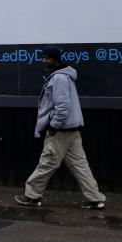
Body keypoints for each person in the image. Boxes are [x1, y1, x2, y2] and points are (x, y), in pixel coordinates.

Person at [14, 45, 107, 210]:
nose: (44, 61)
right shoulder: (63, 76)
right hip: (72, 130)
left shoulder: (59, 78)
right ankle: (95, 199)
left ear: (55, 59)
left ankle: (32, 196)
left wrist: (53, 125)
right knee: (80, 165)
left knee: (47, 162)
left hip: (61, 131)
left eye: (47, 58)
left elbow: (62, 108)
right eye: (43, 58)